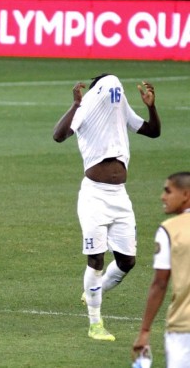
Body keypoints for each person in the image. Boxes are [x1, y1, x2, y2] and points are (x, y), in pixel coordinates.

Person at [52, 73, 161, 341]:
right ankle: (95, 324)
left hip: (120, 196)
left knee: (127, 261)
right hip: (94, 197)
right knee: (96, 258)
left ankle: (94, 289)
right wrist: (77, 104)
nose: (115, 92)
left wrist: (150, 106)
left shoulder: (119, 109)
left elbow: (153, 131)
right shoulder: (87, 110)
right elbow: (58, 135)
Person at [132, 172, 190, 367]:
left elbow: (160, 283)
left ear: (186, 195)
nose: (162, 197)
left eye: (168, 191)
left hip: (184, 327)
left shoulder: (170, 229)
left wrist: (145, 331)